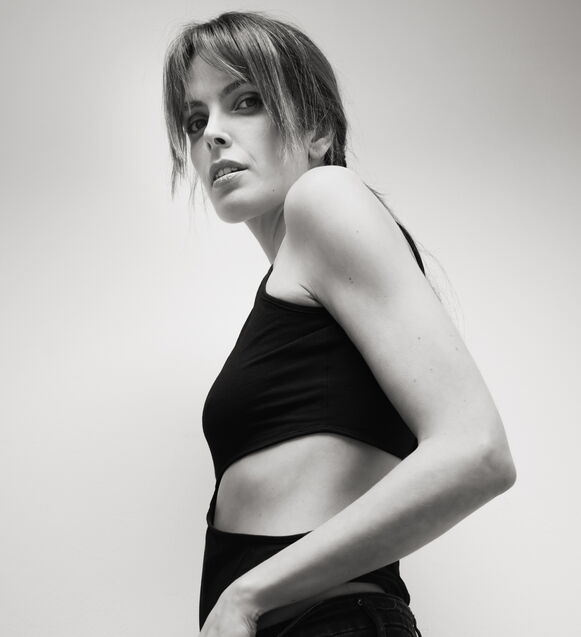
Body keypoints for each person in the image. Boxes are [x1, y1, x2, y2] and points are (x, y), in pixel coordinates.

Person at [162, 10, 517, 637]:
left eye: (245, 101)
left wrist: (246, 596)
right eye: (196, 120)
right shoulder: (298, 277)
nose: (213, 134)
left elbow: (477, 452)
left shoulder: (325, 196)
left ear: (318, 129)